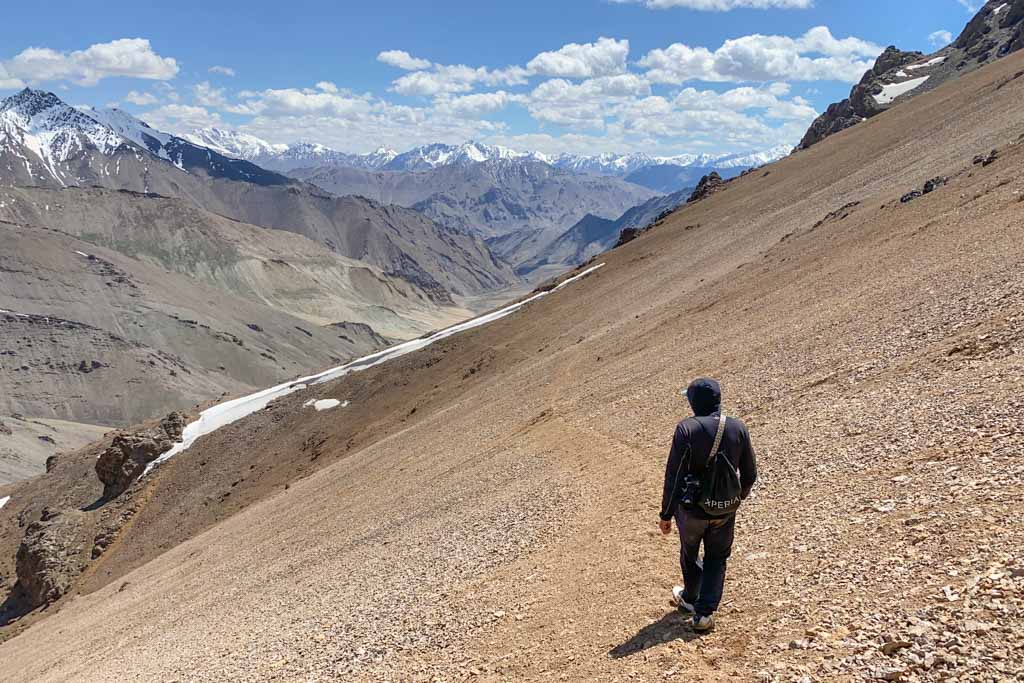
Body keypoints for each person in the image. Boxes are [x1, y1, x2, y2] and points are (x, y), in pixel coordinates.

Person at [658, 378, 758, 632]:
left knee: (690, 554)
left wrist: (666, 513)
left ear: (693, 403)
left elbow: (675, 474)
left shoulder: (686, 429)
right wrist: (737, 498)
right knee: (717, 557)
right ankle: (704, 614)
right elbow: (750, 473)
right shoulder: (737, 427)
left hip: (691, 510)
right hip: (725, 508)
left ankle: (691, 598)